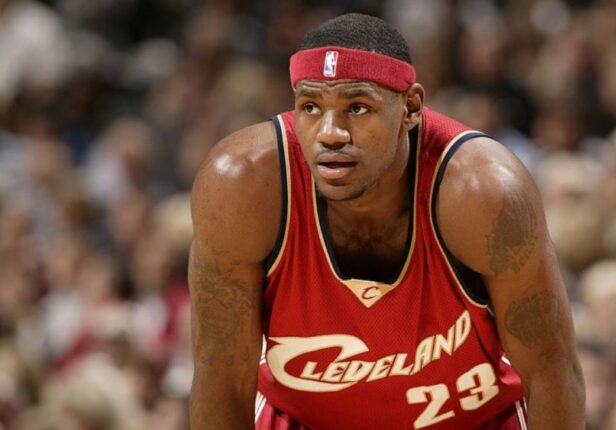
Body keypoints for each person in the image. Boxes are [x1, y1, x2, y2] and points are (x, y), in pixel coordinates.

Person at [189, 13, 584, 430]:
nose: (330, 133)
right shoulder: (242, 185)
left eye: (357, 107)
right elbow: (222, 375)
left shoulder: (482, 192)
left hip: (473, 421)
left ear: (410, 108)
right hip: (306, 421)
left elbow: (551, 368)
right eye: (311, 107)